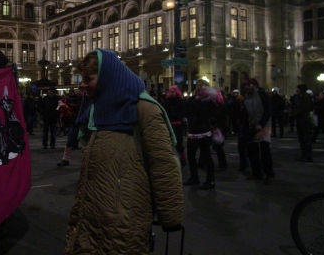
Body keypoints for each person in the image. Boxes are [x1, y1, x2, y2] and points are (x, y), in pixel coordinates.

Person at [65, 50, 183, 254]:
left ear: (106, 77)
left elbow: (163, 164)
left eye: (87, 79)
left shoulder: (143, 108)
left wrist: (170, 216)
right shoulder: (97, 109)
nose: (82, 85)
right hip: (90, 217)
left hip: (124, 221)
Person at [184, 79, 218, 190]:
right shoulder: (193, 99)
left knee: (206, 157)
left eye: (201, 86)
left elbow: (206, 112)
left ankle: (210, 180)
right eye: (197, 85)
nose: (198, 88)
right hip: (193, 132)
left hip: (204, 132)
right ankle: (194, 178)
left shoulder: (208, 101)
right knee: (191, 156)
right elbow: (187, 109)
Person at [241, 78, 275, 184]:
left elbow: (268, 110)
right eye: (245, 86)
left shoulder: (262, 94)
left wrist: (261, 123)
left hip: (264, 125)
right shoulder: (247, 96)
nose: (246, 88)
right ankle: (256, 173)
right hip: (252, 125)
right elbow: (246, 113)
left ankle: (269, 174)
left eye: (247, 86)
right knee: (252, 151)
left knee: (264, 150)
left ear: (253, 85)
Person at [163, 85, 187, 168]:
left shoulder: (180, 101)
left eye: (173, 91)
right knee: (169, 143)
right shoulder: (167, 101)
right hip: (170, 124)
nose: (171, 93)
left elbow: (183, 112)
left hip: (177, 124)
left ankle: (182, 159)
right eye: (171, 91)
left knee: (179, 143)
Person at [293, 84, 314, 162]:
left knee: (305, 139)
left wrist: (294, 114)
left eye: (297, 89)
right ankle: (305, 155)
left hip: (303, 120)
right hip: (302, 119)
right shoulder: (303, 97)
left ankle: (306, 156)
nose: (296, 90)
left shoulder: (304, 97)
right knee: (303, 139)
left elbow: (301, 108)